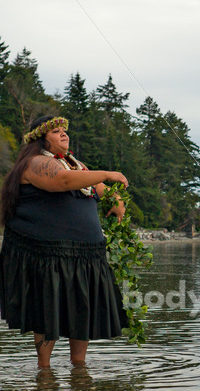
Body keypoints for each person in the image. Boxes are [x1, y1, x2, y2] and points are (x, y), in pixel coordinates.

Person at [0, 115, 131, 368]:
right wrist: (108, 173)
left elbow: (97, 187)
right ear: (40, 139)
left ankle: (79, 370)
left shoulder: (74, 164)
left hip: (85, 255)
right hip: (48, 254)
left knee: (81, 309)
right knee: (48, 309)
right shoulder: (35, 163)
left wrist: (116, 199)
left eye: (64, 131)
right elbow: (63, 181)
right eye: (56, 132)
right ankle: (44, 372)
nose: (64, 134)